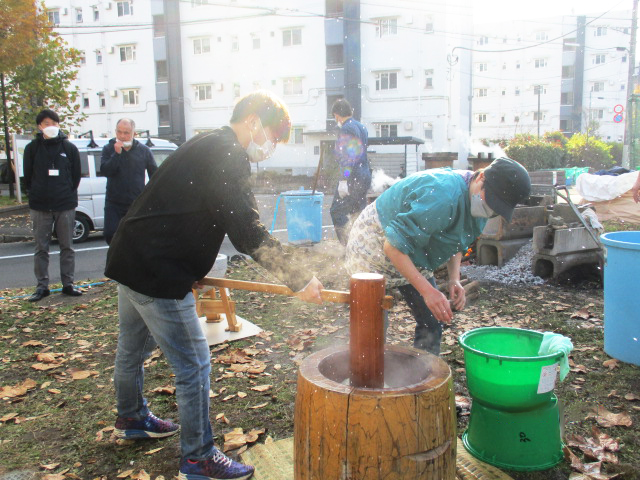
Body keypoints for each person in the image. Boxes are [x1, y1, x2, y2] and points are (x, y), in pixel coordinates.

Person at [105, 91, 324, 480]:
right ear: (253, 120)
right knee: (194, 366)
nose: (271, 147)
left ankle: (132, 416)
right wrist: (299, 278)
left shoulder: (207, 141)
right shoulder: (228, 154)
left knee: (131, 348)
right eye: (273, 135)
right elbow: (246, 229)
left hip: (131, 254)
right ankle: (198, 456)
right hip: (158, 269)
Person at [345, 157, 531, 355]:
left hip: (414, 247)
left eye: (498, 207)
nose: (491, 209)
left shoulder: (481, 207)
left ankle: (422, 376)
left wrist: (454, 279)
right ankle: (367, 376)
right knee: (373, 325)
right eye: (491, 199)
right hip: (376, 240)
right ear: (481, 176)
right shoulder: (442, 196)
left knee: (432, 319)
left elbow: (457, 241)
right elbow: (393, 247)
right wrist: (428, 292)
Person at [23, 109, 83, 302]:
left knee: (67, 246)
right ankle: (42, 286)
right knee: (41, 248)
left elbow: (75, 176)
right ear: (40, 126)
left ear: (58, 125)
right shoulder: (32, 148)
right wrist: (35, 194)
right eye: (46, 123)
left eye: (54, 123)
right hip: (40, 205)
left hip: (64, 204)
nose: (51, 126)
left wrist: (66, 192)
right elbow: (27, 177)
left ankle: (68, 283)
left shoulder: (69, 148)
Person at [100, 118, 157, 244]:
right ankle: (117, 261)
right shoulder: (108, 149)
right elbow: (105, 171)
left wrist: (149, 196)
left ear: (133, 133)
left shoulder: (144, 150)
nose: (122, 136)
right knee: (110, 234)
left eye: (126, 133)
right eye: (119, 132)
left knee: (136, 237)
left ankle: (133, 262)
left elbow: (155, 175)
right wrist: (117, 154)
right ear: (115, 132)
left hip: (135, 202)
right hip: (113, 202)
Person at [330, 98, 371, 245]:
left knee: (337, 211)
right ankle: (362, 246)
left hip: (352, 179)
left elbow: (349, 158)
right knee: (357, 214)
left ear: (337, 115)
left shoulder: (347, 128)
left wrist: (344, 180)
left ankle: (349, 247)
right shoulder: (362, 127)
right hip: (364, 176)